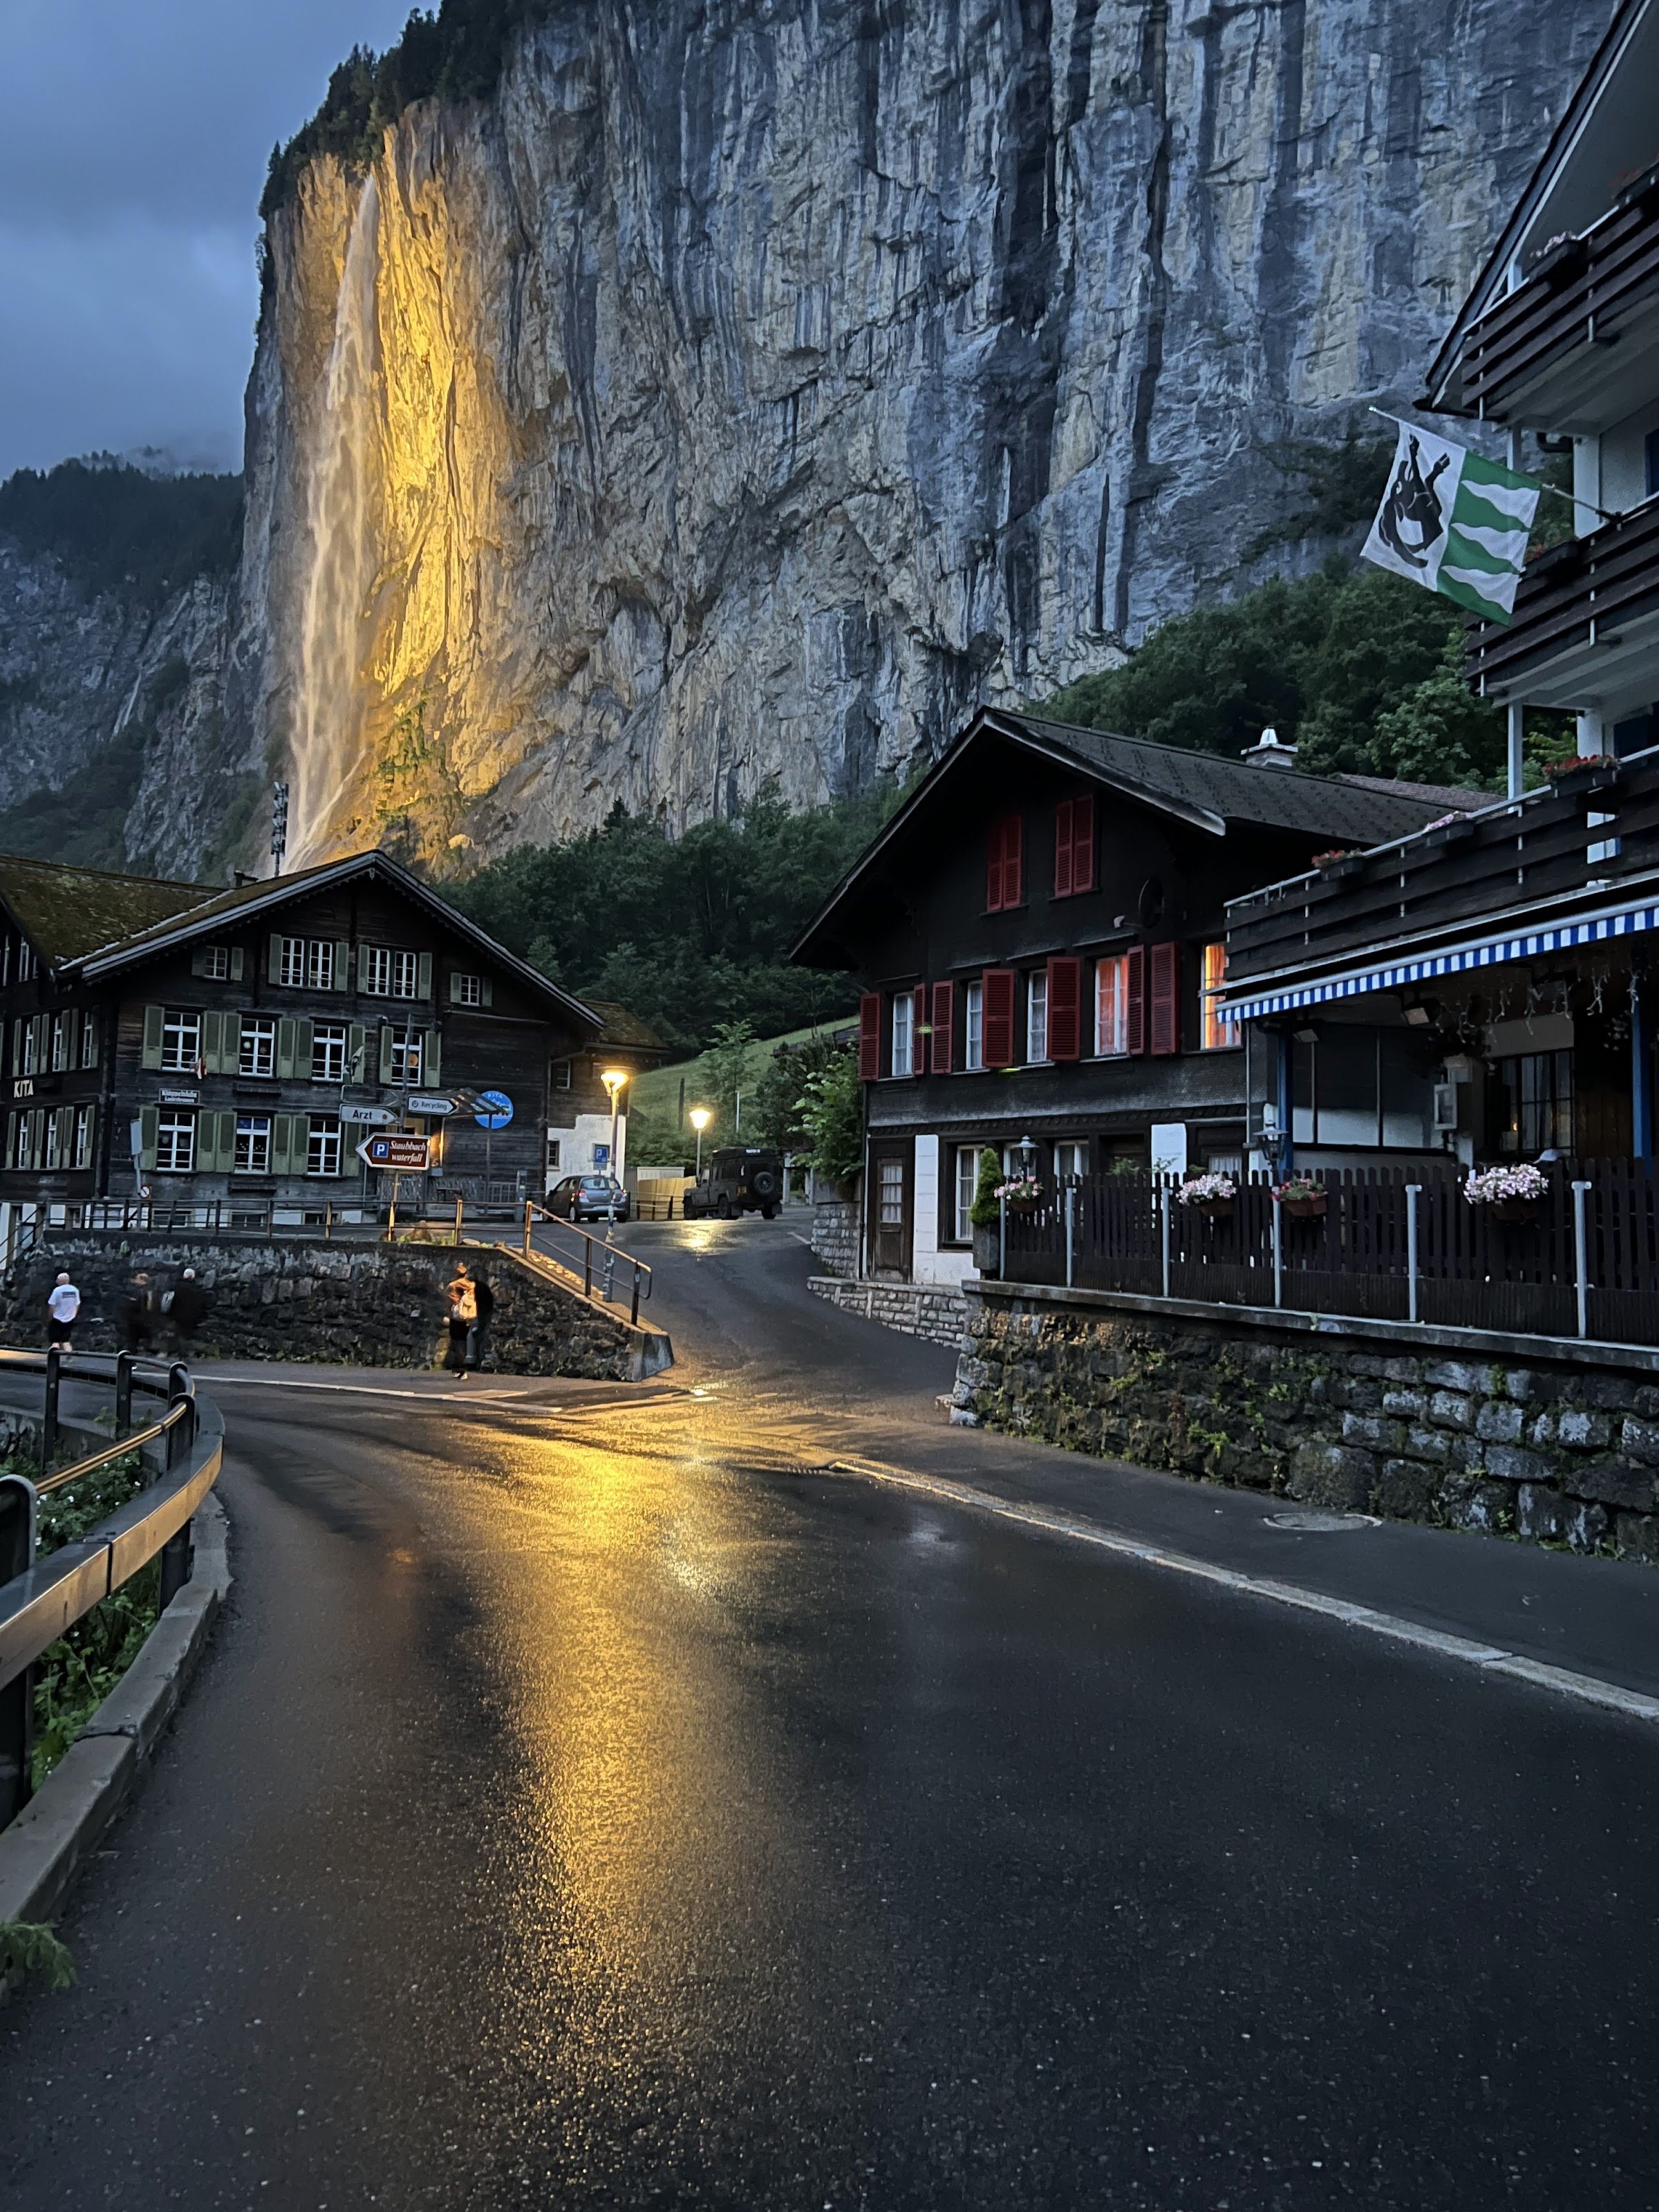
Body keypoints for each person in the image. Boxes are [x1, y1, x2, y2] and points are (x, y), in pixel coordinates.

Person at [166, 1267, 208, 1358]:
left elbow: (172, 1302)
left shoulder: (177, 1287)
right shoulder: (197, 1289)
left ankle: (180, 1352)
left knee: (180, 1334)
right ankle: (184, 1352)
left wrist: (170, 1315)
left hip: (178, 1315)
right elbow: (201, 1304)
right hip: (192, 1316)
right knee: (186, 1334)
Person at [444, 1262, 477, 1379]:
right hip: (467, 1318)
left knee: (456, 1343)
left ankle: (460, 1369)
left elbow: (447, 1297)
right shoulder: (471, 1286)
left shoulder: (453, 1285)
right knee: (463, 1341)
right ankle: (459, 1368)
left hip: (456, 1318)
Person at [120, 1271, 156, 1355]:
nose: (135, 1280)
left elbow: (135, 1306)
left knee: (133, 1341)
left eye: (137, 1279)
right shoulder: (148, 1291)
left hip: (135, 1319)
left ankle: (131, 1358)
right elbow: (149, 1307)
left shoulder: (138, 1292)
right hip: (141, 1319)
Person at [46, 1271, 80, 1352]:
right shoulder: (75, 1290)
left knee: (55, 1341)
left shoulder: (57, 1291)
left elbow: (52, 1305)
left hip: (57, 1319)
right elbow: (77, 1304)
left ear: (61, 1281)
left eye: (57, 1280)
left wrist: (49, 1318)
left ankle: (54, 1359)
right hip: (70, 1318)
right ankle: (69, 1357)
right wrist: (74, 1315)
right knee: (66, 1341)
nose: (56, 1281)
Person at [467, 1274, 495, 1373]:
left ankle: (476, 1360)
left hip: (481, 1314)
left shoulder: (478, 1291)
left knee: (480, 1336)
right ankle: (475, 1360)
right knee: (478, 1335)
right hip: (479, 1315)